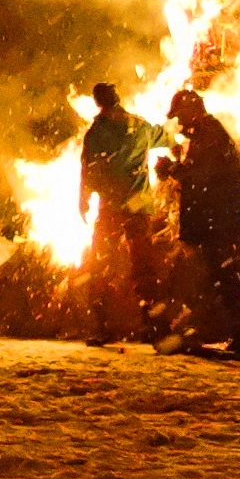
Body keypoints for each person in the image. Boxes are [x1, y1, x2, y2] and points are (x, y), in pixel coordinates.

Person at [159, 87, 240, 363]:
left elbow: (201, 179)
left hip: (223, 221)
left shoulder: (209, 134)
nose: (179, 122)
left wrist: (173, 170)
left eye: (181, 115)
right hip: (220, 219)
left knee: (227, 279)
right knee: (222, 279)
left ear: (193, 111)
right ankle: (236, 337)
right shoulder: (207, 133)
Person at [78, 82, 165, 344]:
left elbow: (87, 169)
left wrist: (83, 199)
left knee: (100, 265)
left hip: (112, 208)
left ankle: (101, 327)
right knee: (144, 266)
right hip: (136, 207)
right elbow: (167, 137)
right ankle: (156, 326)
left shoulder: (96, 132)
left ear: (98, 103)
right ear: (117, 98)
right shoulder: (139, 125)